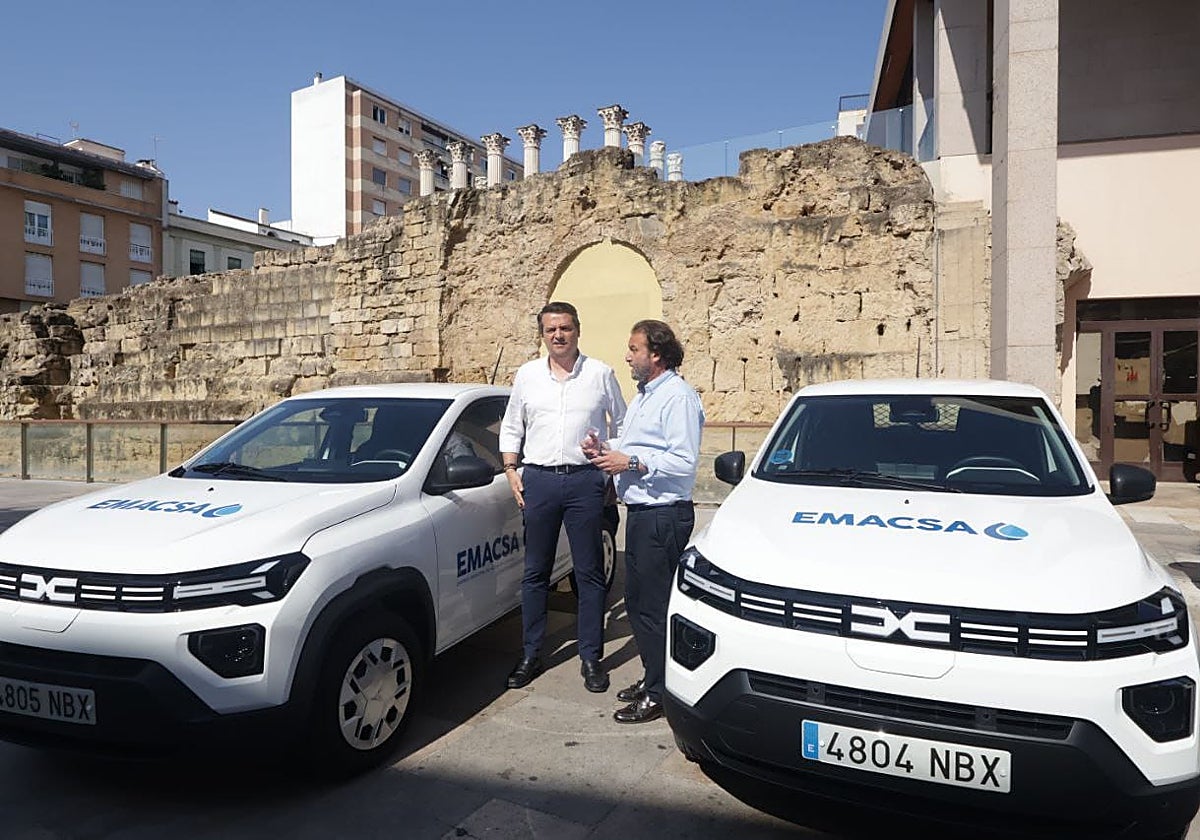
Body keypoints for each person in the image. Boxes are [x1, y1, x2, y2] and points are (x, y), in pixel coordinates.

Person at [499, 301, 626, 693]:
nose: (558, 335)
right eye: (551, 329)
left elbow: (622, 424)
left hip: (584, 481)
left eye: (565, 328)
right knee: (535, 572)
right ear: (543, 334)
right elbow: (512, 425)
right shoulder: (527, 375)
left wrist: (608, 464)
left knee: (588, 573)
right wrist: (511, 470)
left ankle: (591, 657)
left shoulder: (600, 374)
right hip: (538, 480)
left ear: (577, 331)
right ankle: (531, 653)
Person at [585, 320, 703, 724]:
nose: (627, 356)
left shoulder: (678, 397)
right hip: (641, 512)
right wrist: (604, 448)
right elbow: (636, 445)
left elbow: (684, 461)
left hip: (662, 514)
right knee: (639, 603)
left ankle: (659, 693)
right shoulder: (645, 396)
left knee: (653, 607)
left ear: (656, 353)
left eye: (634, 349)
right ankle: (655, 676)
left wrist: (631, 462)